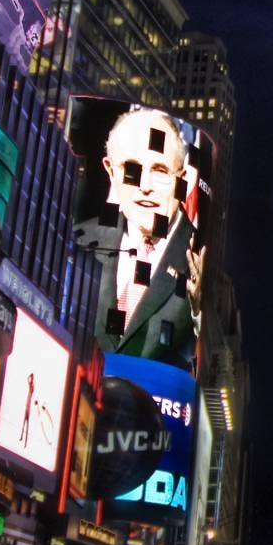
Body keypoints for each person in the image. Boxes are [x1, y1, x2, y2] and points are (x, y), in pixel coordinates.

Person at [85, 105, 201, 369]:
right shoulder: (80, 241)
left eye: (160, 171)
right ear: (111, 171)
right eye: (131, 169)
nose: (145, 186)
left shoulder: (201, 259)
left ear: (181, 179)